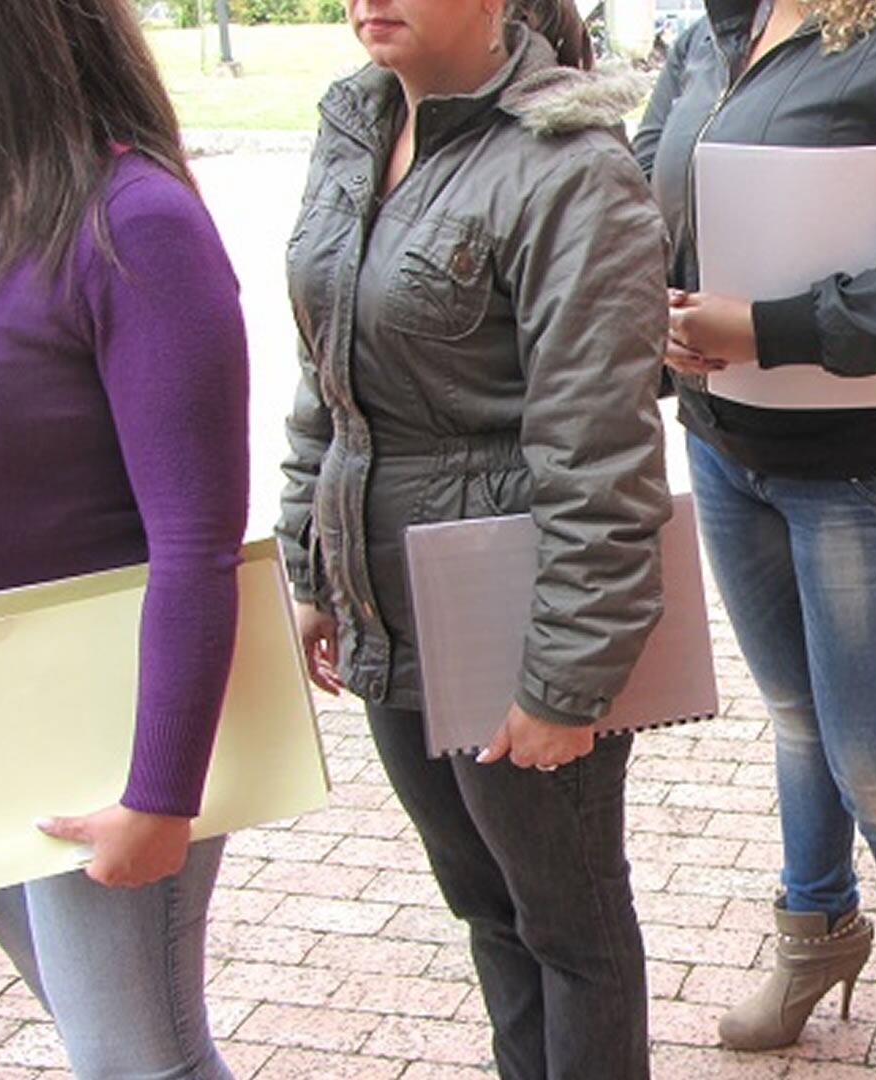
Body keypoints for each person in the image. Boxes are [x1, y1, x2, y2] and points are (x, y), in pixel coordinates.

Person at [276, 1, 670, 1076]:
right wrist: (310, 555)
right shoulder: (356, 125)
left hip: (511, 615)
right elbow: (326, 379)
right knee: (488, 910)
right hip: (391, 599)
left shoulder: (571, 168)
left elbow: (601, 451)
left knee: (571, 930)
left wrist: (566, 679)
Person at [634, 1, 876, 1074]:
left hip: (868, 469)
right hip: (723, 442)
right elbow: (641, 181)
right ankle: (817, 934)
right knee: (799, 721)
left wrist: (763, 327)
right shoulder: (714, 34)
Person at [0, 0, 248, 1075]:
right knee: (129, 1046)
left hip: (98, 730)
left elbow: (197, 539)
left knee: (135, 1058)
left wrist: (160, 794)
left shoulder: (132, 223)